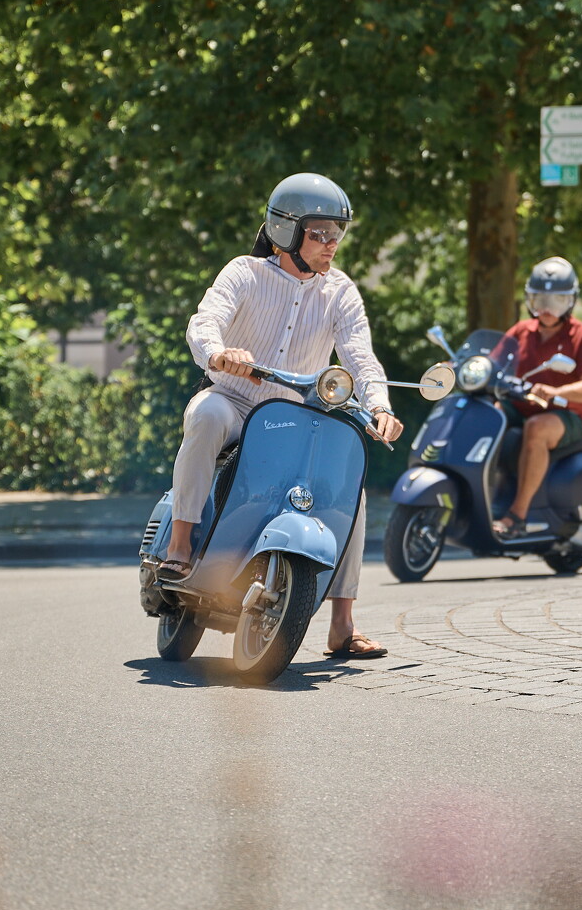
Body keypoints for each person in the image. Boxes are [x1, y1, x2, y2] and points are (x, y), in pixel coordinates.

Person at [161, 173, 402, 659]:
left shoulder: (340, 291)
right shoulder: (244, 272)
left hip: (296, 416)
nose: (331, 243)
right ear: (285, 230)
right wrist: (218, 352)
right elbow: (206, 319)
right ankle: (180, 545)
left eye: (338, 233)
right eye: (320, 233)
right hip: (234, 400)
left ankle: (342, 623)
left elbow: (360, 357)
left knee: (349, 484)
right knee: (205, 416)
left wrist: (379, 405)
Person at [491, 257, 582, 539]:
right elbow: (493, 365)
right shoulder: (521, 331)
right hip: (522, 404)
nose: (547, 308)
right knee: (486, 414)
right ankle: (482, 494)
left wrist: (556, 392)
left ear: (571, 301)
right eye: (540, 299)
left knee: (537, 428)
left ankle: (517, 515)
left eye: (557, 300)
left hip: (569, 414)